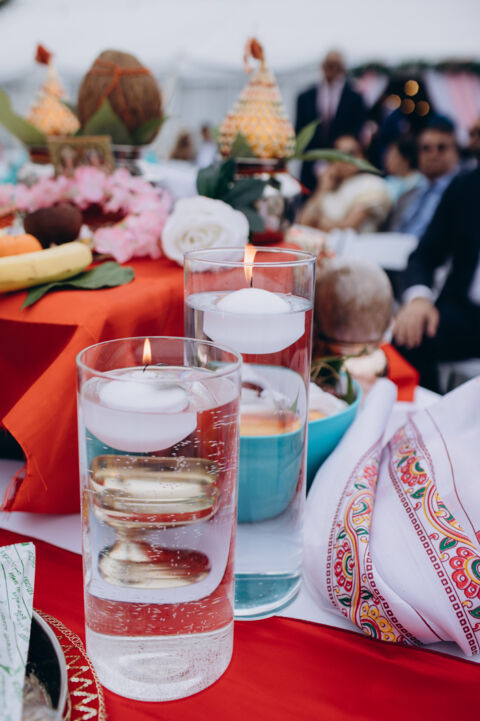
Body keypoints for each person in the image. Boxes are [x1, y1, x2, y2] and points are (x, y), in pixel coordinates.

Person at [392, 168, 480, 392]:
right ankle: (427, 411)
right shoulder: (465, 186)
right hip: (466, 313)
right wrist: (419, 299)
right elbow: (424, 256)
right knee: (408, 335)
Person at [295, 50, 366, 193]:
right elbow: (299, 131)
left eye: (335, 65)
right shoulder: (305, 97)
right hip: (310, 168)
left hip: (341, 169)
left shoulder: (355, 98)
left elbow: (357, 133)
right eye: (328, 65)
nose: (331, 69)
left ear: (342, 68)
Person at [297, 135, 391, 233]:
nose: (346, 159)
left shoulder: (372, 184)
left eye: (351, 153)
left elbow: (349, 227)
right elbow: (303, 222)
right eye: (339, 155)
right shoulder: (330, 189)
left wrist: (316, 223)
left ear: (363, 157)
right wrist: (322, 189)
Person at [388, 117, 459, 238]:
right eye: (426, 148)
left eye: (441, 148)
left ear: (456, 153)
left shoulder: (464, 194)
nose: (433, 154)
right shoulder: (408, 195)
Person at [383, 137, 421, 203]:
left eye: (393, 155)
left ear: (406, 159)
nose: (387, 159)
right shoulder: (388, 182)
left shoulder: (420, 183)